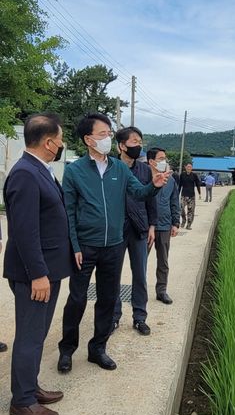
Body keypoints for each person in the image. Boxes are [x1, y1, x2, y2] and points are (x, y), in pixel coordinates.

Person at [58, 113, 170, 373]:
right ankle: (67, 350)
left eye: (109, 133)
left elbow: (138, 192)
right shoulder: (74, 171)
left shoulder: (119, 168)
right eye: (103, 134)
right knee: (76, 300)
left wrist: (153, 185)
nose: (108, 138)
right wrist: (74, 246)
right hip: (85, 247)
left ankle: (98, 348)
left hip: (113, 246)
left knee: (108, 300)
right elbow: (69, 213)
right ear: (88, 139)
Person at [3, 113, 73, 415]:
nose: (62, 145)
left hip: (49, 270)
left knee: (38, 334)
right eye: (60, 139)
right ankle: (22, 401)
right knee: (30, 337)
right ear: (48, 142)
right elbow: (25, 232)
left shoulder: (40, 169)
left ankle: (29, 387)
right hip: (36, 275)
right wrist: (39, 275)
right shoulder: (25, 174)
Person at [112, 127, 157, 335]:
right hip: (116, 231)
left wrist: (152, 225)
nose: (138, 145)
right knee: (113, 275)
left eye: (140, 141)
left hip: (139, 229)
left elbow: (151, 199)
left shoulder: (145, 170)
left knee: (140, 274)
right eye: (134, 141)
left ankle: (140, 317)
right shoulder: (111, 167)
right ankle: (113, 317)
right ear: (122, 146)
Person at [147, 147, 180, 305]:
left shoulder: (171, 180)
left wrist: (175, 222)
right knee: (140, 262)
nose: (164, 161)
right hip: (146, 227)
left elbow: (174, 201)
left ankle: (161, 291)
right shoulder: (143, 176)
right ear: (151, 161)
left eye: (164, 158)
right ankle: (138, 291)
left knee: (163, 262)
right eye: (160, 159)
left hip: (165, 225)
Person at [178, 163, 201, 229]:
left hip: (191, 196)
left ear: (191, 168)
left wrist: (199, 193)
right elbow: (180, 185)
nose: (189, 168)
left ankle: (189, 224)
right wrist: (177, 193)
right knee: (181, 209)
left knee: (191, 211)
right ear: (185, 167)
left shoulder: (194, 175)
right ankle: (183, 220)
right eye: (187, 167)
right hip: (183, 195)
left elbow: (197, 184)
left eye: (190, 167)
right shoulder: (182, 175)